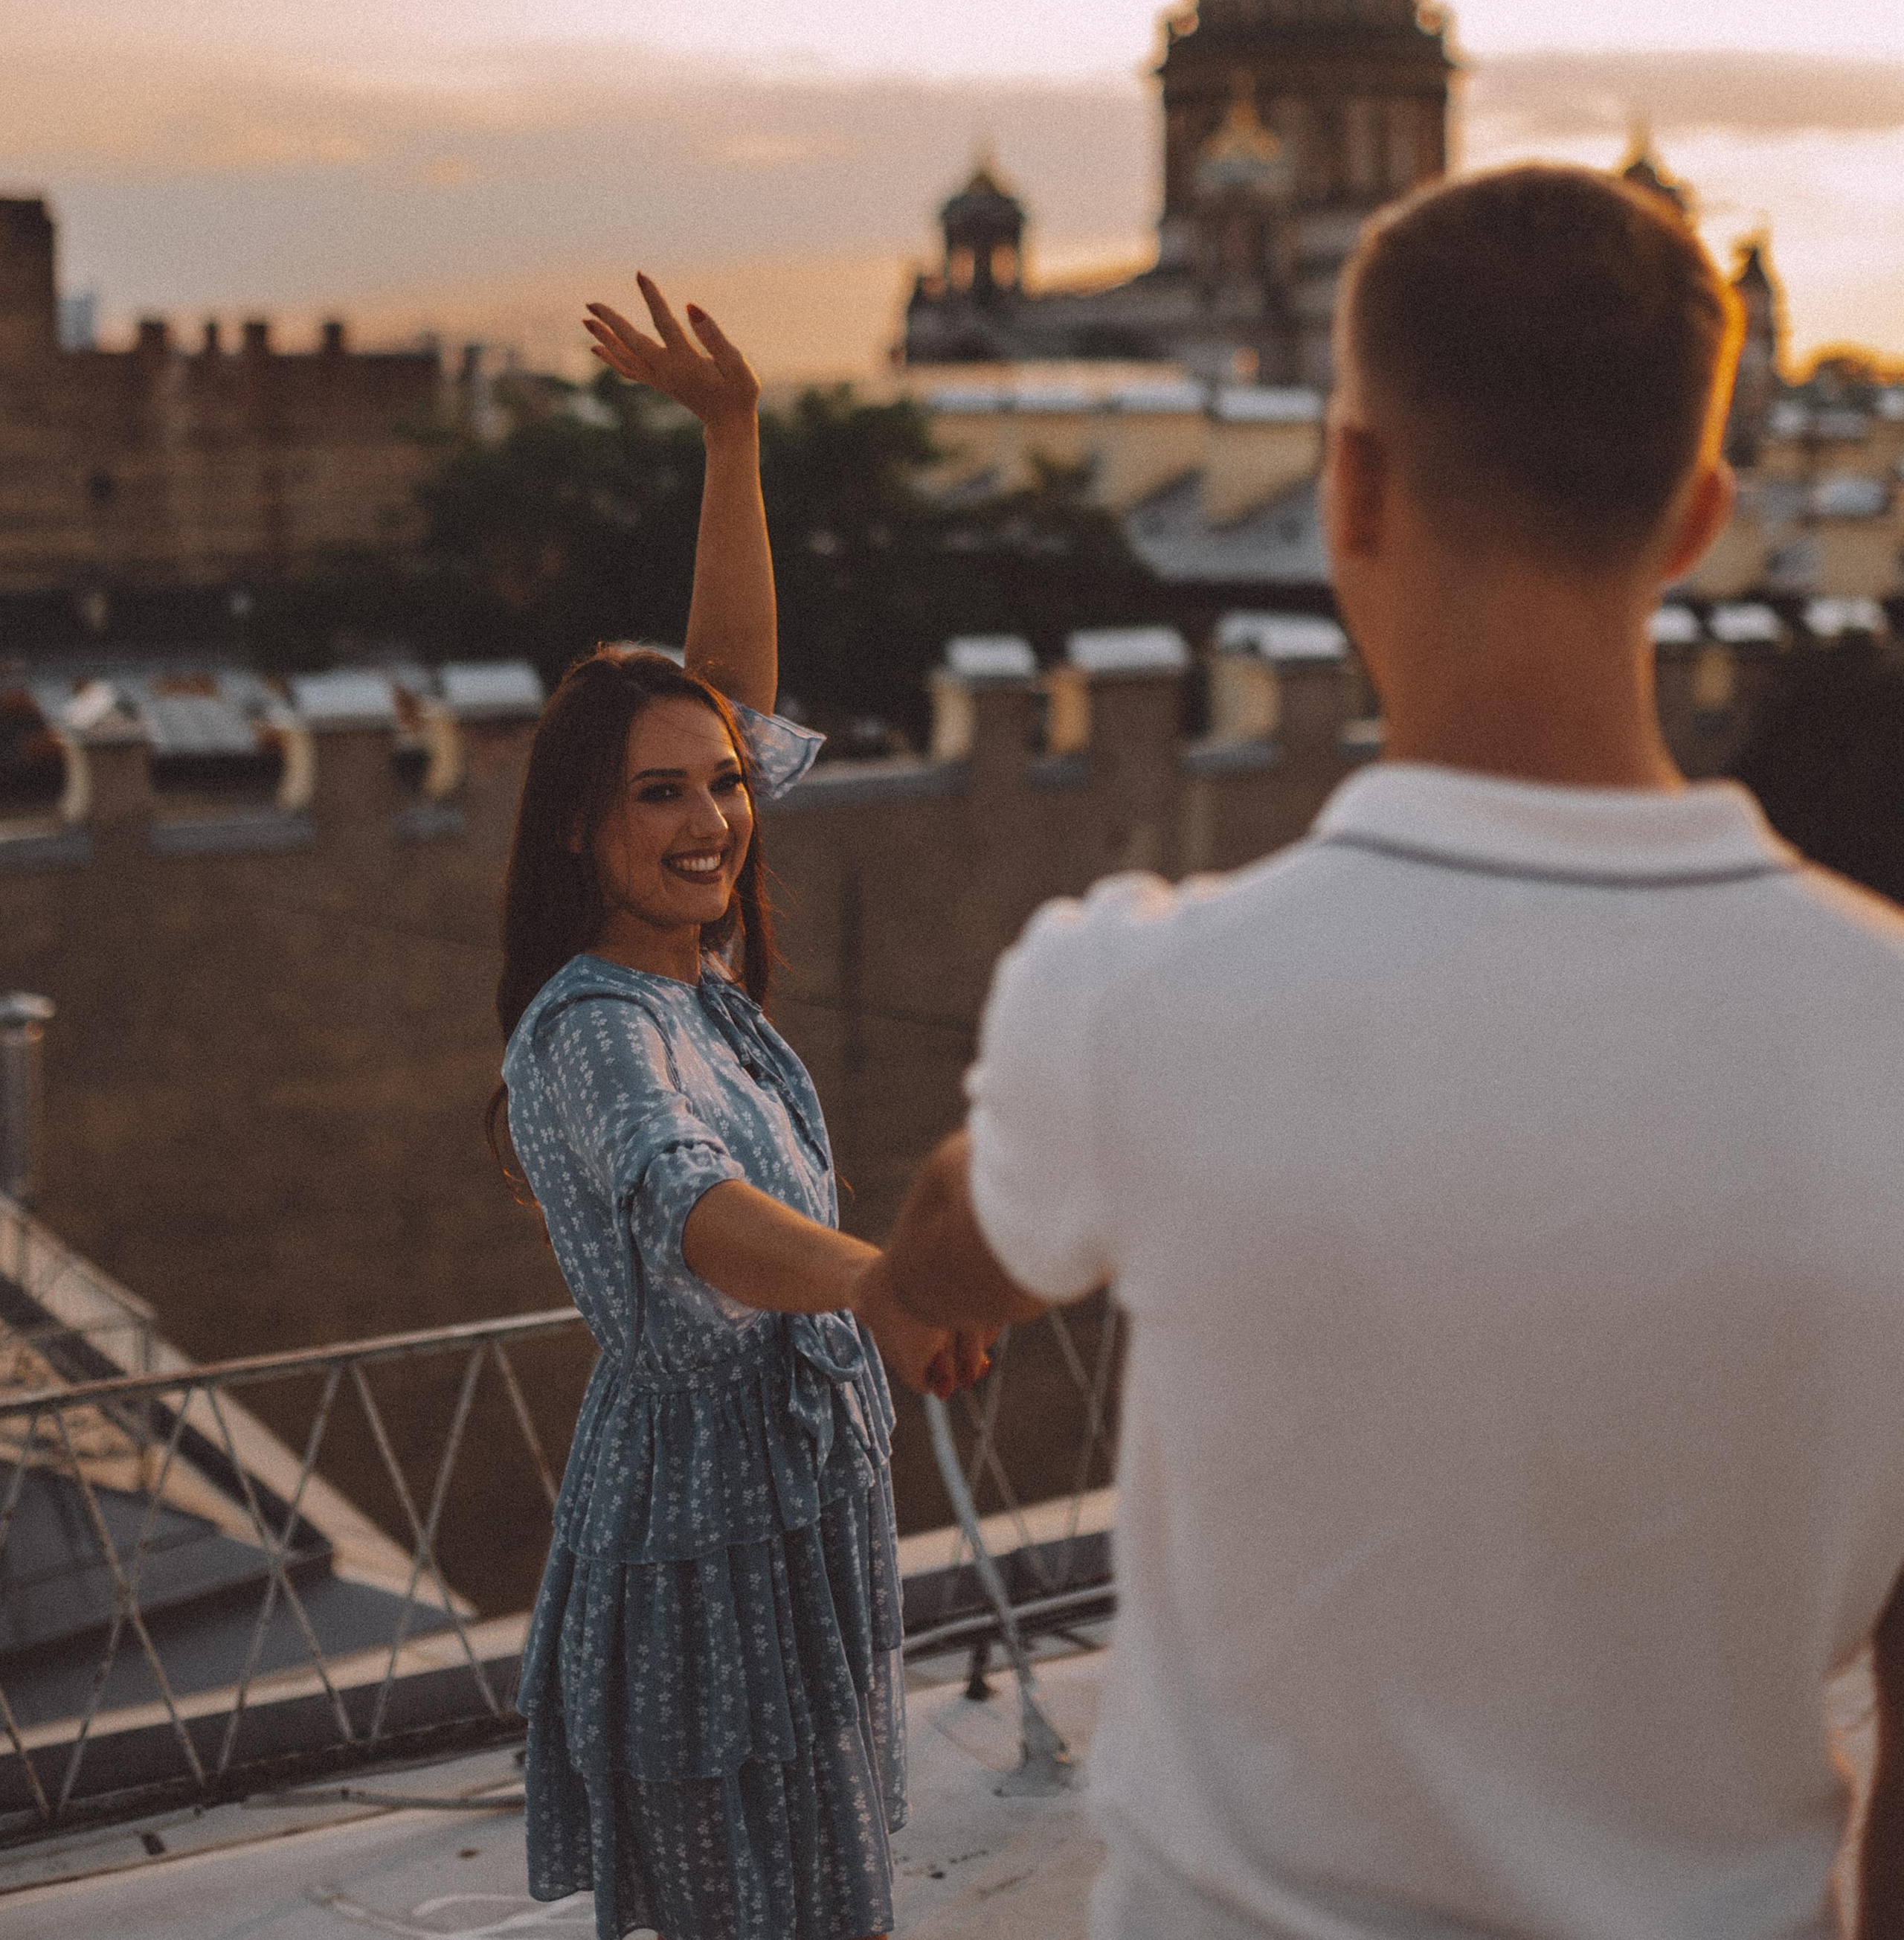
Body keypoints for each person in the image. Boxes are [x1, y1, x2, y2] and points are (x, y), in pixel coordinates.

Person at [862, 165, 1904, 1940]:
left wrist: (929, 1265)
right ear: (1696, 515)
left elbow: (956, 1248)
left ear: (1347, 484)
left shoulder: (1129, 1000)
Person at [495, 274, 988, 1940]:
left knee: (829, 1903)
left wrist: (731, 436)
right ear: (579, 829)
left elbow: (715, 684)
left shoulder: (692, 971)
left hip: (800, 1523)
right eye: (661, 797)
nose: (715, 815)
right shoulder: (587, 1030)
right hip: (701, 1557)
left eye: (723, 784)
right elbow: (683, 1201)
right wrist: (880, 1283)